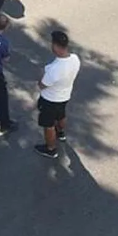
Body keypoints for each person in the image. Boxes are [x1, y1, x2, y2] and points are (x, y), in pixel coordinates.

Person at [35, 31, 81, 159]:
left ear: (55, 46)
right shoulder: (75, 59)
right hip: (64, 96)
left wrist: (40, 76)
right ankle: (60, 133)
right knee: (61, 115)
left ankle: (51, 149)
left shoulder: (54, 69)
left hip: (50, 100)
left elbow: (42, 85)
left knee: (48, 125)